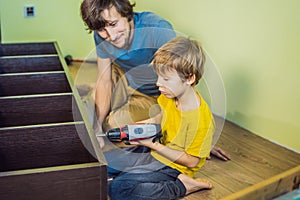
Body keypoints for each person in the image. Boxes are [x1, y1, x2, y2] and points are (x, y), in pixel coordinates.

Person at [80, 0, 229, 164]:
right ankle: (98, 109)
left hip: (157, 96)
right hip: (126, 80)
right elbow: (105, 81)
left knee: (115, 126)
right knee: (90, 111)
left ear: (126, 14)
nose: (111, 35)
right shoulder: (101, 34)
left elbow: (185, 82)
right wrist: (97, 126)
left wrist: (198, 138)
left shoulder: (157, 29)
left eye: (114, 24)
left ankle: (127, 117)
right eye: (102, 29)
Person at [109, 36, 214, 199]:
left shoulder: (201, 119)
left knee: (119, 189)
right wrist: (143, 127)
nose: (158, 83)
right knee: (106, 163)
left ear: (190, 78)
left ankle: (182, 186)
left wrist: (153, 145)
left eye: (165, 79)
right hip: (153, 150)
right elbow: (160, 117)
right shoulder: (169, 95)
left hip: (173, 166)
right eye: (158, 76)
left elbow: (192, 162)